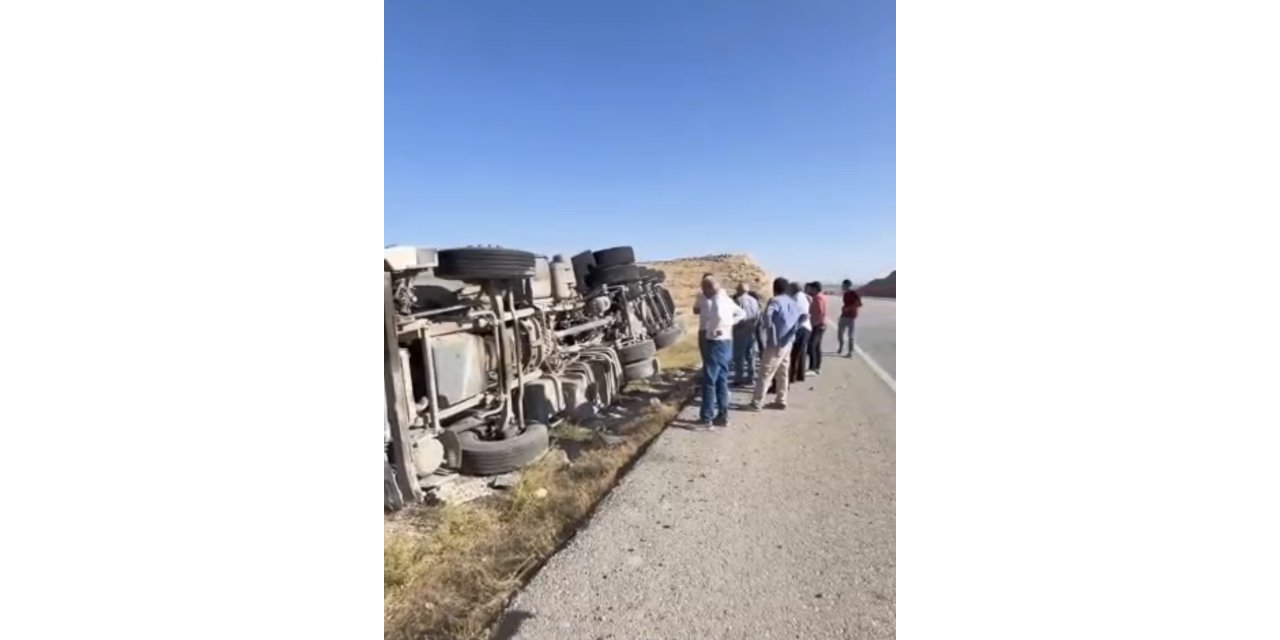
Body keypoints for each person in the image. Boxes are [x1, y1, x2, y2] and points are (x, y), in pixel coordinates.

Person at [694, 276, 745, 429]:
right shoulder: (726, 299)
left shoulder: (715, 302)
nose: (703, 292)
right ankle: (723, 415)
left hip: (715, 342)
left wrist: (720, 328)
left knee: (709, 381)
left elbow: (720, 317)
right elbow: (741, 313)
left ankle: (706, 417)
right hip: (727, 341)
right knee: (721, 379)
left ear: (710, 288)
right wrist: (729, 326)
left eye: (704, 288)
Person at [749, 278, 801, 411]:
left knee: (766, 372)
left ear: (774, 288)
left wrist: (770, 332)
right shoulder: (793, 302)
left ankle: (757, 401)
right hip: (788, 342)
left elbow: (767, 315)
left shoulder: (775, 301)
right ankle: (781, 399)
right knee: (783, 371)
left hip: (776, 343)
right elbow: (800, 319)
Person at [732, 282, 762, 387]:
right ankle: (751, 377)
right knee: (751, 355)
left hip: (740, 330)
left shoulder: (738, 300)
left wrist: (734, 327)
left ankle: (738, 379)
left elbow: (735, 315)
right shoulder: (754, 300)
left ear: (739, 290)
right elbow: (758, 314)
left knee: (739, 356)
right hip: (752, 329)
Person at [787, 281, 812, 383]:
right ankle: (800, 375)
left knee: (794, 354)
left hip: (800, 327)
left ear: (793, 289)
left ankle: (792, 377)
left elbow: (798, 314)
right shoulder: (804, 296)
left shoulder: (796, 298)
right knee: (801, 353)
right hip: (806, 327)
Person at [806, 282, 828, 375]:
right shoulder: (823, 297)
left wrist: (815, 323)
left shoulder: (817, 298)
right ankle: (817, 367)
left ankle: (813, 367)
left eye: (811, 288)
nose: (810, 290)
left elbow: (820, 312)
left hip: (817, 325)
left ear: (815, 289)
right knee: (817, 346)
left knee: (812, 346)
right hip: (821, 324)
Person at [838, 279, 863, 357]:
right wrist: (844, 308)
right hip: (844, 316)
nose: (842, 287)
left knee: (850, 335)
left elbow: (859, 304)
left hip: (851, 317)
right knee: (840, 333)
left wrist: (849, 308)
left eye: (843, 285)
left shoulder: (854, 293)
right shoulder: (845, 294)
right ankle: (841, 346)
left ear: (847, 285)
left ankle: (850, 352)